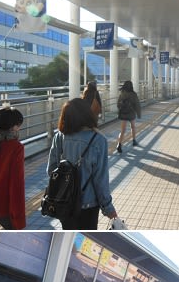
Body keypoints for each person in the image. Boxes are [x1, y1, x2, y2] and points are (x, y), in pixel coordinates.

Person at [46, 97, 117, 230]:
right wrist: (108, 208)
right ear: (87, 114)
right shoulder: (98, 140)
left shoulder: (60, 136)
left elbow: (51, 170)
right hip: (88, 204)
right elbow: (100, 179)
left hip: (63, 202)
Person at [116, 80, 141, 153]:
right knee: (133, 127)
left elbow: (118, 104)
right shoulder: (134, 94)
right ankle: (134, 141)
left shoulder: (122, 93)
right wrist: (138, 114)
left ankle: (119, 144)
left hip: (123, 114)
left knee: (123, 130)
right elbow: (137, 105)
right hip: (131, 113)